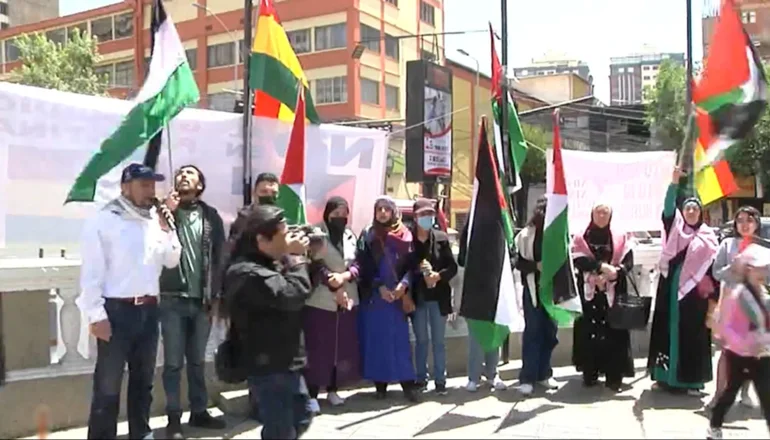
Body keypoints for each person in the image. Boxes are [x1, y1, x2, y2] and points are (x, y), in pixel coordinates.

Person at [76, 163, 182, 440]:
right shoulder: (104, 220)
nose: (150, 191)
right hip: (116, 311)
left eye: (152, 185)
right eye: (143, 184)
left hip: (149, 310)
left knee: (143, 382)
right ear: (125, 187)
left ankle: (141, 434)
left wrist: (168, 229)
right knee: (108, 385)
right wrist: (95, 315)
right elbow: (91, 273)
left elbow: (172, 259)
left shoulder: (154, 220)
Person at [224, 205, 314, 439]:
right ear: (262, 239)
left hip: (287, 361)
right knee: (280, 430)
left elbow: (302, 289)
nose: (288, 240)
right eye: (283, 235)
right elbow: (292, 294)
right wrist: (295, 258)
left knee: (302, 415)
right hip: (268, 365)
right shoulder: (246, 272)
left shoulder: (269, 262)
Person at [158, 165, 226, 439]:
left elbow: (220, 258)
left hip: (202, 301)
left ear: (200, 185)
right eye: (180, 173)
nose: (183, 176)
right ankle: (173, 417)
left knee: (197, 361)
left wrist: (216, 295)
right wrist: (166, 211)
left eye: (190, 173)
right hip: (171, 299)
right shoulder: (161, 212)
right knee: (173, 363)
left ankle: (199, 412)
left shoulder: (210, 216)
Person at [648, 167, 719, 394]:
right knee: (667, 330)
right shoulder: (676, 229)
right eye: (687, 208)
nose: (690, 212)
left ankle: (691, 381)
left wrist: (712, 297)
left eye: (694, 209)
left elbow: (712, 267)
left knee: (693, 335)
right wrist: (674, 183)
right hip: (671, 289)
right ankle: (664, 377)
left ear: (700, 213)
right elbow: (668, 210)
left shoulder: (708, 236)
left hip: (695, 294)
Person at [223, 171, 280, 419]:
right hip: (249, 292)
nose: (269, 194)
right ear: (256, 191)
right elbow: (232, 252)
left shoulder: (282, 218)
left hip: (276, 291)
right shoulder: (244, 218)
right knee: (253, 351)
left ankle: (270, 402)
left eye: (273, 191)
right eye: (264, 191)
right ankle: (257, 403)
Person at [356, 196, 420, 402]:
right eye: (379, 209)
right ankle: (380, 386)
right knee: (377, 341)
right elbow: (362, 264)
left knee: (400, 342)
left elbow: (412, 265)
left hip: (398, 297)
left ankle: (408, 385)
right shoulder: (368, 234)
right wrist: (378, 286)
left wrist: (404, 284)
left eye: (387, 209)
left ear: (393, 212)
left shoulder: (405, 234)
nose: (383, 213)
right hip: (376, 297)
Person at [303, 197, 362, 413]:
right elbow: (314, 263)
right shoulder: (316, 233)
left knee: (340, 347)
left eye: (344, 213)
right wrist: (333, 283)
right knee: (318, 348)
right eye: (336, 213)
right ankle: (311, 394)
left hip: (347, 297)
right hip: (321, 299)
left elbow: (358, 263)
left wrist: (346, 276)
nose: (340, 217)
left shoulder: (350, 235)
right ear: (327, 214)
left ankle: (333, 389)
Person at [707, 243, 770, 440]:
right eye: (763, 267)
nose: (766, 270)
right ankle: (715, 424)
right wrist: (746, 343)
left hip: (762, 353)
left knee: (766, 395)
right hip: (740, 354)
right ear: (750, 269)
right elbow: (726, 329)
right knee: (730, 391)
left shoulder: (763, 293)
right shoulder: (737, 296)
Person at [571, 202, 636, 391]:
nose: (602, 216)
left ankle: (614, 375)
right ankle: (590, 372)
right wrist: (598, 269)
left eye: (605, 213)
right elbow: (578, 258)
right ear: (592, 214)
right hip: (591, 293)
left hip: (614, 291)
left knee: (615, 333)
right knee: (589, 332)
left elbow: (628, 260)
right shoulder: (582, 236)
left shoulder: (619, 236)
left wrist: (615, 272)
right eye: (598, 212)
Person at [706, 206, 762, 410]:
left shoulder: (764, 246)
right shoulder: (727, 244)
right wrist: (734, 267)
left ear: (756, 223)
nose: (745, 224)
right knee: (726, 353)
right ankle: (718, 395)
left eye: (749, 220)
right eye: (740, 220)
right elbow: (717, 272)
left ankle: (745, 392)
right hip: (731, 304)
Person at [408, 198, 458, 395]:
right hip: (418, 297)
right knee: (421, 340)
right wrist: (419, 274)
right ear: (415, 217)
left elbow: (452, 267)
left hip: (438, 298)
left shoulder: (441, 238)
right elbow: (403, 268)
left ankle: (440, 380)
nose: (426, 218)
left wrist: (438, 276)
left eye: (429, 214)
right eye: (422, 215)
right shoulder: (407, 240)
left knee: (439, 341)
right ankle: (421, 378)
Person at [514, 196, 560, 396]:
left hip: (553, 292)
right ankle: (527, 377)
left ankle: (544, 373)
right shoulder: (526, 235)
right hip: (532, 290)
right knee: (533, 332)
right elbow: (517, 261)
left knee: (550, 333)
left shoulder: (558, 234)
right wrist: (536, 266)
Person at [457, 222, 508, 393]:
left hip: (497, 288)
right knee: (476, 337)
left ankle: (493, 374)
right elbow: (462, 258)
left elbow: (512, 255)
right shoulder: (472, 225)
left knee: (494, 334)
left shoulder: (502, 222)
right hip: (475, 290)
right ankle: (473, 377)